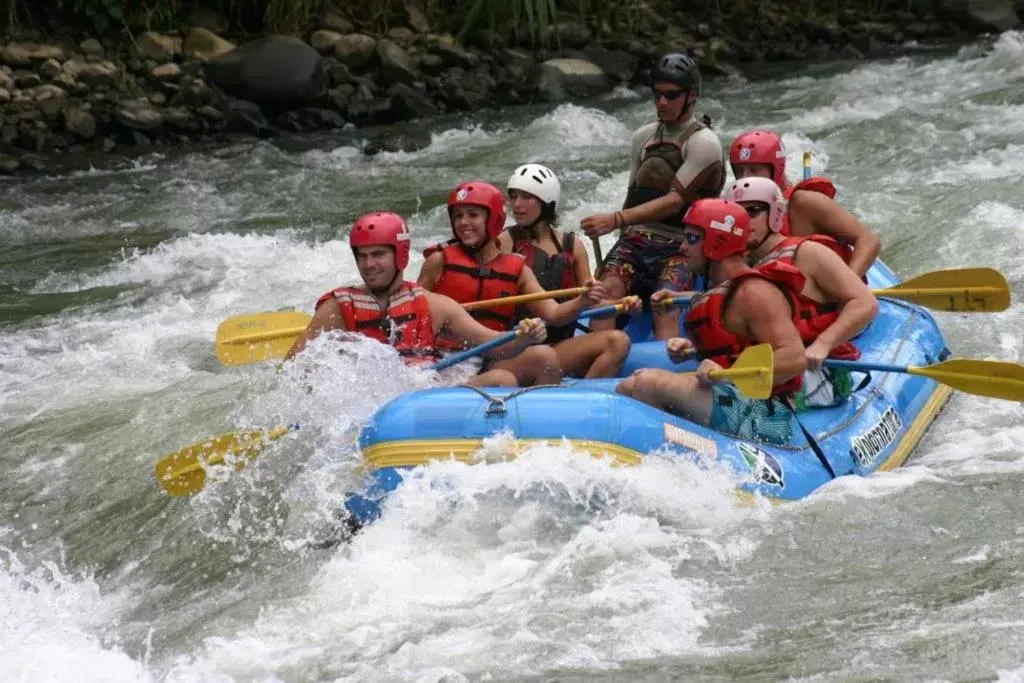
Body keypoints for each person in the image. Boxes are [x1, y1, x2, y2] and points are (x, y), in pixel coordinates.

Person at [616, 199, 807, 445]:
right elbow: (738, 347)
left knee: (648, 383)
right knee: (629, 386)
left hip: (770, 414)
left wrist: (727, 374)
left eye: (692, 239)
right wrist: (693, 352)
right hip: (736, 398)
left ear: (718, 242)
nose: (683, 246)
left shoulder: (754, 293)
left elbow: (795, 358)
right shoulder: (721, 290)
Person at [285, 211, 548, 388]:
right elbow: (292, 368)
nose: (369, 264)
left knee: (501, 378)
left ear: (400, 255)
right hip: (366, 406)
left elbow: (494, 345)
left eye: (378, 254)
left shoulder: (435, 304)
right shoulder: (338, 308)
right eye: (362, 256)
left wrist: (523, 338)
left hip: (423, 400)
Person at [579, 52, 726, 339]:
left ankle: (665, 367)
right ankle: (597, 359)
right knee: (604, 293)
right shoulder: (643, 137)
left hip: (681, 245)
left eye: (671, 96)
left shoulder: (704, 143)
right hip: (635, 241)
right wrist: (618, 242)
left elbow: (675, 200)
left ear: (691, 95)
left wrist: (615, 219)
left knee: (665, 301)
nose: (662, 103)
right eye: (657, 95)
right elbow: (633, 196)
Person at [418, 181, 610, 387]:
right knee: (503, 380)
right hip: (444, 362)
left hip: (492, 359)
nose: (463, 222)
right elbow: (411, 311)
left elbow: (554, 314)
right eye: (458, 216)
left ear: (494, 220)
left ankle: (542, 414)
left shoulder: (516, 268)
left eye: (473, 215)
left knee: (544, 357)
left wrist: (582, 301)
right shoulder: (439, 261)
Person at [724, 176, 878, 407]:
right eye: (737, 216)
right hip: (781, 367)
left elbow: (866, 303)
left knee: (725, 395)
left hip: (824, 371)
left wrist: (824, 343)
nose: (745, 222)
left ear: (775, 213)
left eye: (753, 212)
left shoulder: (807, 253)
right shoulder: (743, 267)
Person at [497, 163, 633, 378]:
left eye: (526, 197)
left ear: (547, 203)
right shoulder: (505, 243)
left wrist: (621, 305)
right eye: (513, 197)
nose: (517, 204)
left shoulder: (573, 246)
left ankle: (584, 400)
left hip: (559, 345)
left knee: (618, 341)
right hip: (518, 349)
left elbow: (589, 299)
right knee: (542, 356)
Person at [728, 129, 881, 277]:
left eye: (754, 169)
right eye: (739, 171)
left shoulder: (804, 202)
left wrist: (848, 284)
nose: (744, 177)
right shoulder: (735, 209)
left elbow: (869, 240)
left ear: (776, 169)